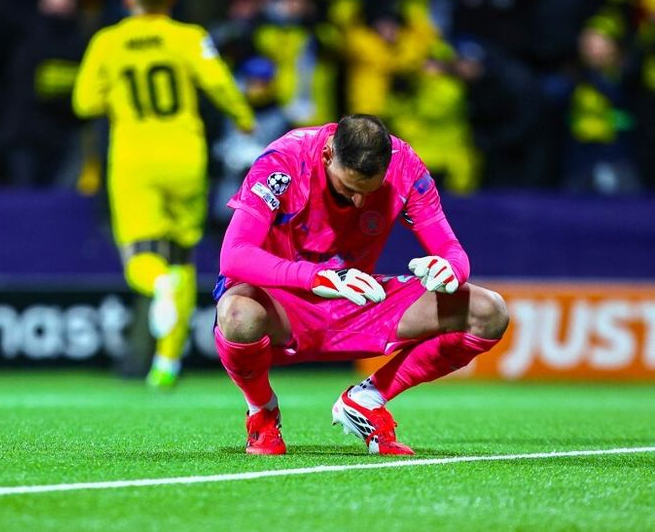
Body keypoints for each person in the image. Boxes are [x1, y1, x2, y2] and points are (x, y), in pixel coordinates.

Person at [215, 114, 509, 455]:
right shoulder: (284, 160)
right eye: (348, 189)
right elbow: (233, 256)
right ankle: (262, 411)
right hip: (284, 302)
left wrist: (450, 270)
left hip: (356, 300)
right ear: (327, 157)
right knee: (237, 313)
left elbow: (451, 250)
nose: (358, 202)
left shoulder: (405, 166)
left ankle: (367, 399)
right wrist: (316, 277)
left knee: (489, 311)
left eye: (369, 192)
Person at [73, 0, 255, 388]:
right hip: (185, 154)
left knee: (141, 256)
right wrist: (243, 119)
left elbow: (84, 101)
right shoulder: (188, 36)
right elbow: (217, 81)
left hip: (135, 157)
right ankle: (168, 363)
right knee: (181, 254)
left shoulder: (108, 41)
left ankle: (158, 288)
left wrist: (114, 93)